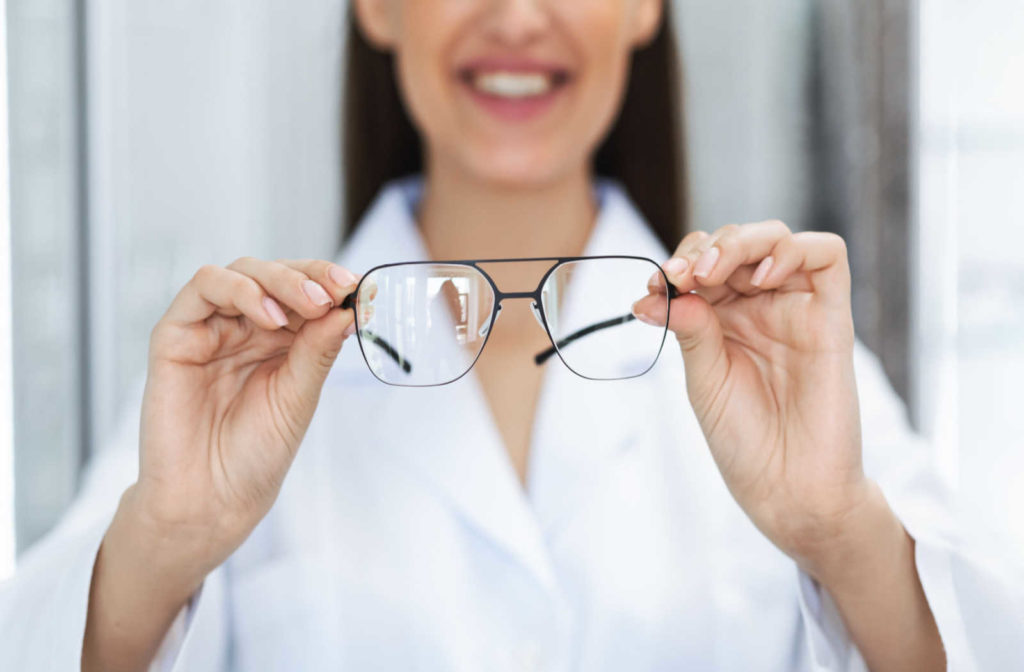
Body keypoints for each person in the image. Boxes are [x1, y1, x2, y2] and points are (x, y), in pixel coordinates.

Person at [1, 1, 1020, 670]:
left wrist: (840, 535)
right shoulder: (235, 382)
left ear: (642, 10)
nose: (519, 17)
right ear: (378, 10)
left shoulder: (791, 369)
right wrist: (165, 550)